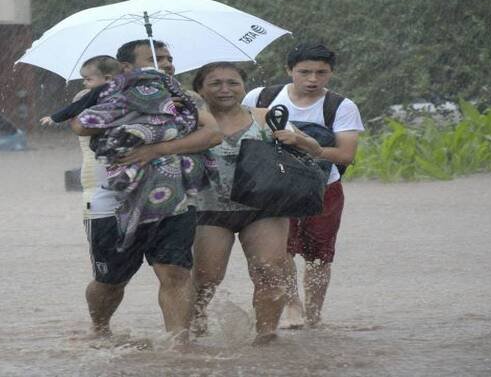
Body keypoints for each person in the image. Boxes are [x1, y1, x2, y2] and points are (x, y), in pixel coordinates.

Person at [69, 39, 222, 343]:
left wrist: (160, 147)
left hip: (172, 195)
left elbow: (213, 134)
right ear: (126, 67)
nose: (165, 64)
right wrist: (146, 104)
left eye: (167, 58)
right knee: (111, 281)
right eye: (154, 58)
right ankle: (100, 328)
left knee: (175, 273)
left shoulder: (185, 96)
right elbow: (80, 126)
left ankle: (178, 346)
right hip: (110, 200)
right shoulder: (97, 94)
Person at [189, 62, 323, 345]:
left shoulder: (265, 117)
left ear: (244, 86)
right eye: (215, 83)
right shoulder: (192, 122)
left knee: (270, 271)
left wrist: (296, 138)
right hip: (208, 208)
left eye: (233, 82)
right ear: (199, 89)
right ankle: (194, 326)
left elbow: (317, 149)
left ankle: (266, 337)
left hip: (264, 208)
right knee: (206, 278)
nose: (225, 89)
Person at [242, 43, 365, 327]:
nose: (312, 79)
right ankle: (292, 305)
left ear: (331, 73)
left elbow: (346, 156)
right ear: (289, 70)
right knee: (280, 251)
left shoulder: (340, 106)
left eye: (321, 73)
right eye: (304, 72)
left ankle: (314, 316)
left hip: (323, 188)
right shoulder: (261, 97)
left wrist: (308, 145)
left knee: (319, 256)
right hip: (275, 188)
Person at [38, 55, 121, 126]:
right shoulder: (124, 87)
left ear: (107, 78)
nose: (84, 83)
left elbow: (78, 105)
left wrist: (55, 117)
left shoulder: (99, 91)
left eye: (88, 79)